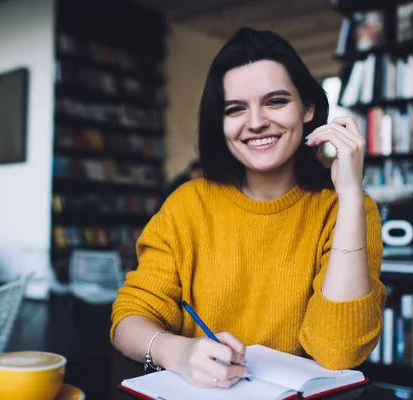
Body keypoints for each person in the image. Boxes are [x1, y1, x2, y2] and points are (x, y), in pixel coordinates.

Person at [111, 28, 386, 390]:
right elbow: (128, 319)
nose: (255, 122)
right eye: (235, 108)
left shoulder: (349, 211)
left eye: (275, 101)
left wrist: (349, 195)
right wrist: (176, 352)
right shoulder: (187, 204)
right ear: (220, 124)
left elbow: (339, 350)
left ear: (308, 109)